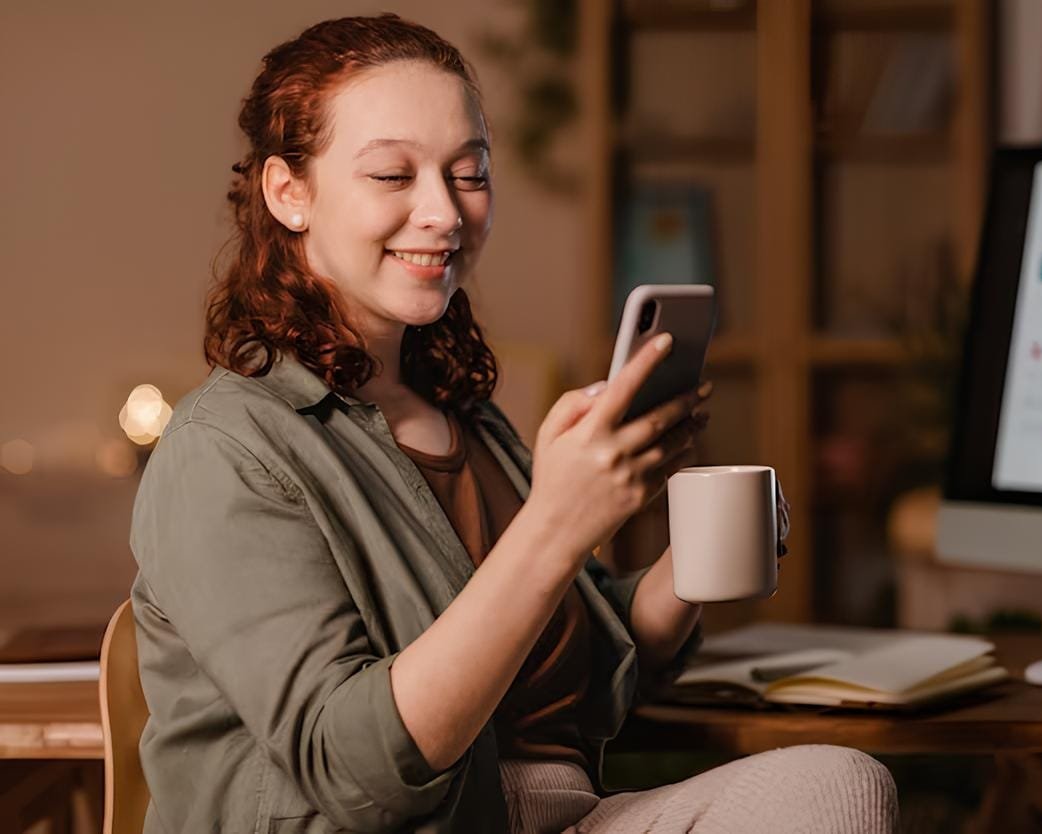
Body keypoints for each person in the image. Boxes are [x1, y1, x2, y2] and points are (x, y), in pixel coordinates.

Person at [128, 13, 898, 833]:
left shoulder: (464, 416)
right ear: (290, 193)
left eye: (470, 172)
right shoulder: (226, 453)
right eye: (393, 175)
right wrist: (558, 525)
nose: (444, 213)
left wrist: (689, 567)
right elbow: (356, 774)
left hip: (556, 815)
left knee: (839, 786)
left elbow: (578, 664)